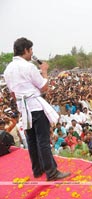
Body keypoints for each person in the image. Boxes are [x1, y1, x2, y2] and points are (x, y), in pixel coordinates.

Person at [3, 38, 70, 181]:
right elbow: (44, 87)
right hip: (35, 107)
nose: (32, 53)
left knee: (32, 140)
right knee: (43, 141)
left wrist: (22, 104)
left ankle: (37, 170)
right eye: (31, 50)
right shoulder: (29, 67)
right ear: (26, 50)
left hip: (24, 109)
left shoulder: (7, 69)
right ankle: (52, 172)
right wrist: (44, 71)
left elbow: (13, 94)